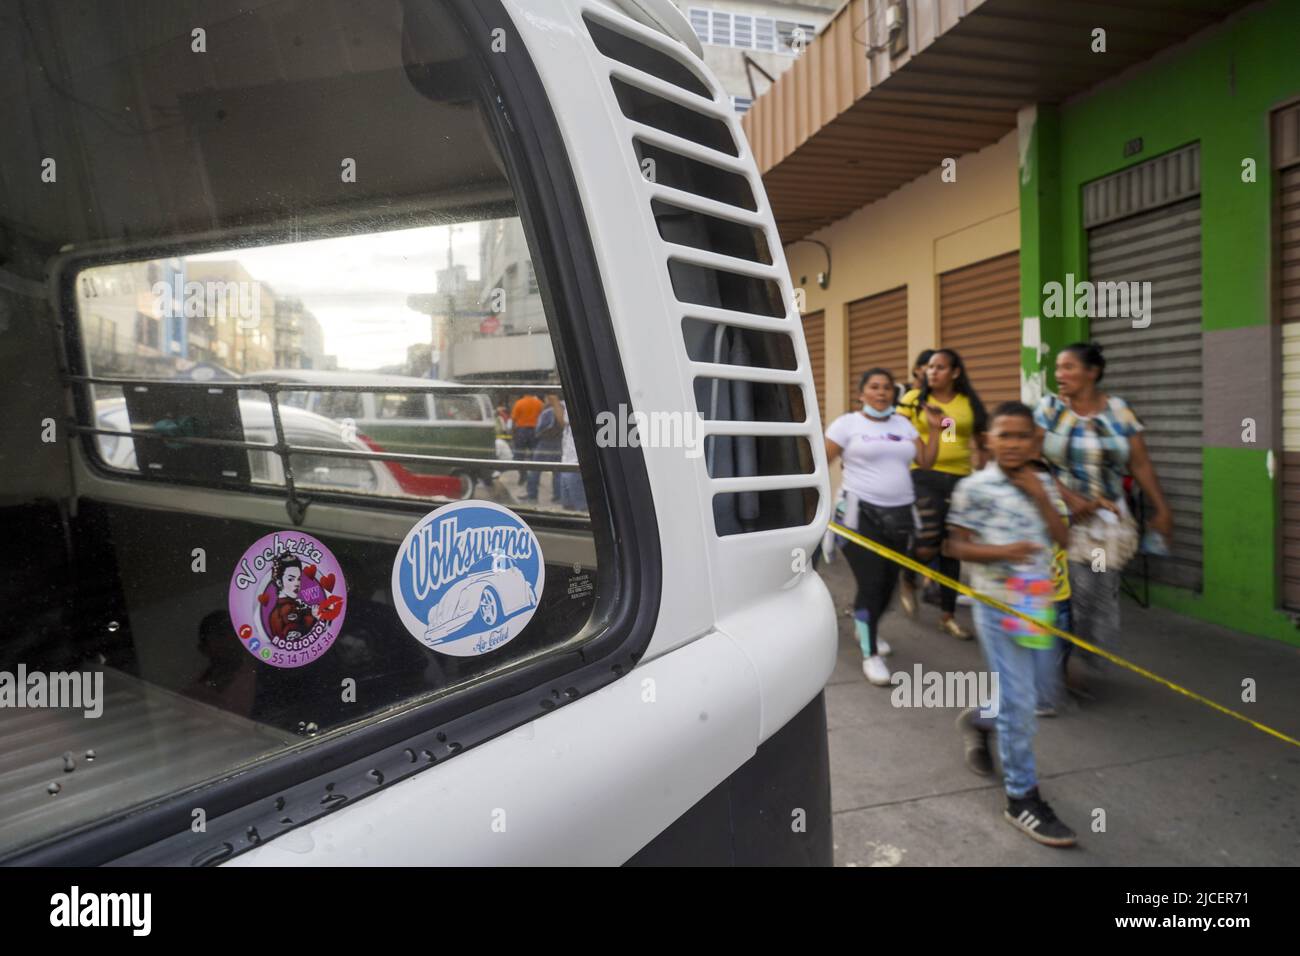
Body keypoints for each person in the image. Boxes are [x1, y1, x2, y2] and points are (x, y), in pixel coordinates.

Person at [946, 401, 1077, 848]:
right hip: (996, 602)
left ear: (1034, 441)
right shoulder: (973, 488)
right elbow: (956, 547)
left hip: (1036, 599)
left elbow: (1064, 539)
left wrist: (1041, 496)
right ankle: (1021, 796)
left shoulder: (1044, 483)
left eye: (1023, 436)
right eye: (1004, 435)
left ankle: (982, 721)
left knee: (1038, 694)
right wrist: (1004, 553)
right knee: (1020, 700)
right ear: (988, 440)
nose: (1014, 443)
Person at [1034, 343, 1173, 691]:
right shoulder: (1049, 409)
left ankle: (1087, 658)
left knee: (1098, 588)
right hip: (1062, 519)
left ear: (1091, 372)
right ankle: (1064, 666)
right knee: (1075, 590)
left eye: (1068, 368)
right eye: (1058, 368)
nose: (1059, 374)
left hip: (1104, 524)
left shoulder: (1119, 411)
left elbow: (1139, 463)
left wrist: (1162, 508)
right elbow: (1031, 460)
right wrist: (1071, 498)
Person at [825, 367, 943, 686]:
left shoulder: (903, 424)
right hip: (858, 515)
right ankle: (870, 652)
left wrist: (936, 429)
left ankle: (868, 623)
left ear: (894, 394)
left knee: (889, 584)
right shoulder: (847, 424)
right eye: (874, 387)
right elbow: (820, 463)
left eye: (887, 388)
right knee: (873, 581)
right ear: (861, 393)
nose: (881, 393)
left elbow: (928, 461)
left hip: (901, 516)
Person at [898, 348, 988, 639]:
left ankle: (947, 616)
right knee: (927, 542)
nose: (932, 372)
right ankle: (908, 575)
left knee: (952, 550)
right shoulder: (914, 400)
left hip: (960, 481)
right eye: (930, 367)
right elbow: (895, 432)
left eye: (940, 367)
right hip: (923, 476)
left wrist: (983, 468)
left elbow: (981, 439)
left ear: (955, 372)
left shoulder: (967, 402)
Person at [528, 394, 565, 503]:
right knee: (557, 471)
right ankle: (557, 496)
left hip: (545, 443)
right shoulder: (563, 408)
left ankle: (532, 495)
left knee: (535, 469)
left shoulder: (548, 411)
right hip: (559, 442)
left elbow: (539, 430)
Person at [510, 392, 543, 486]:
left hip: (522, 431)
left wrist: (513, 433)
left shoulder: (519, 403)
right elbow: (543, 417)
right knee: (535, 457)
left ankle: (523, 475)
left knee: (519, 456)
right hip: (535, 431)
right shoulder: (539, 403)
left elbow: (514, 419)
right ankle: (534, 478)